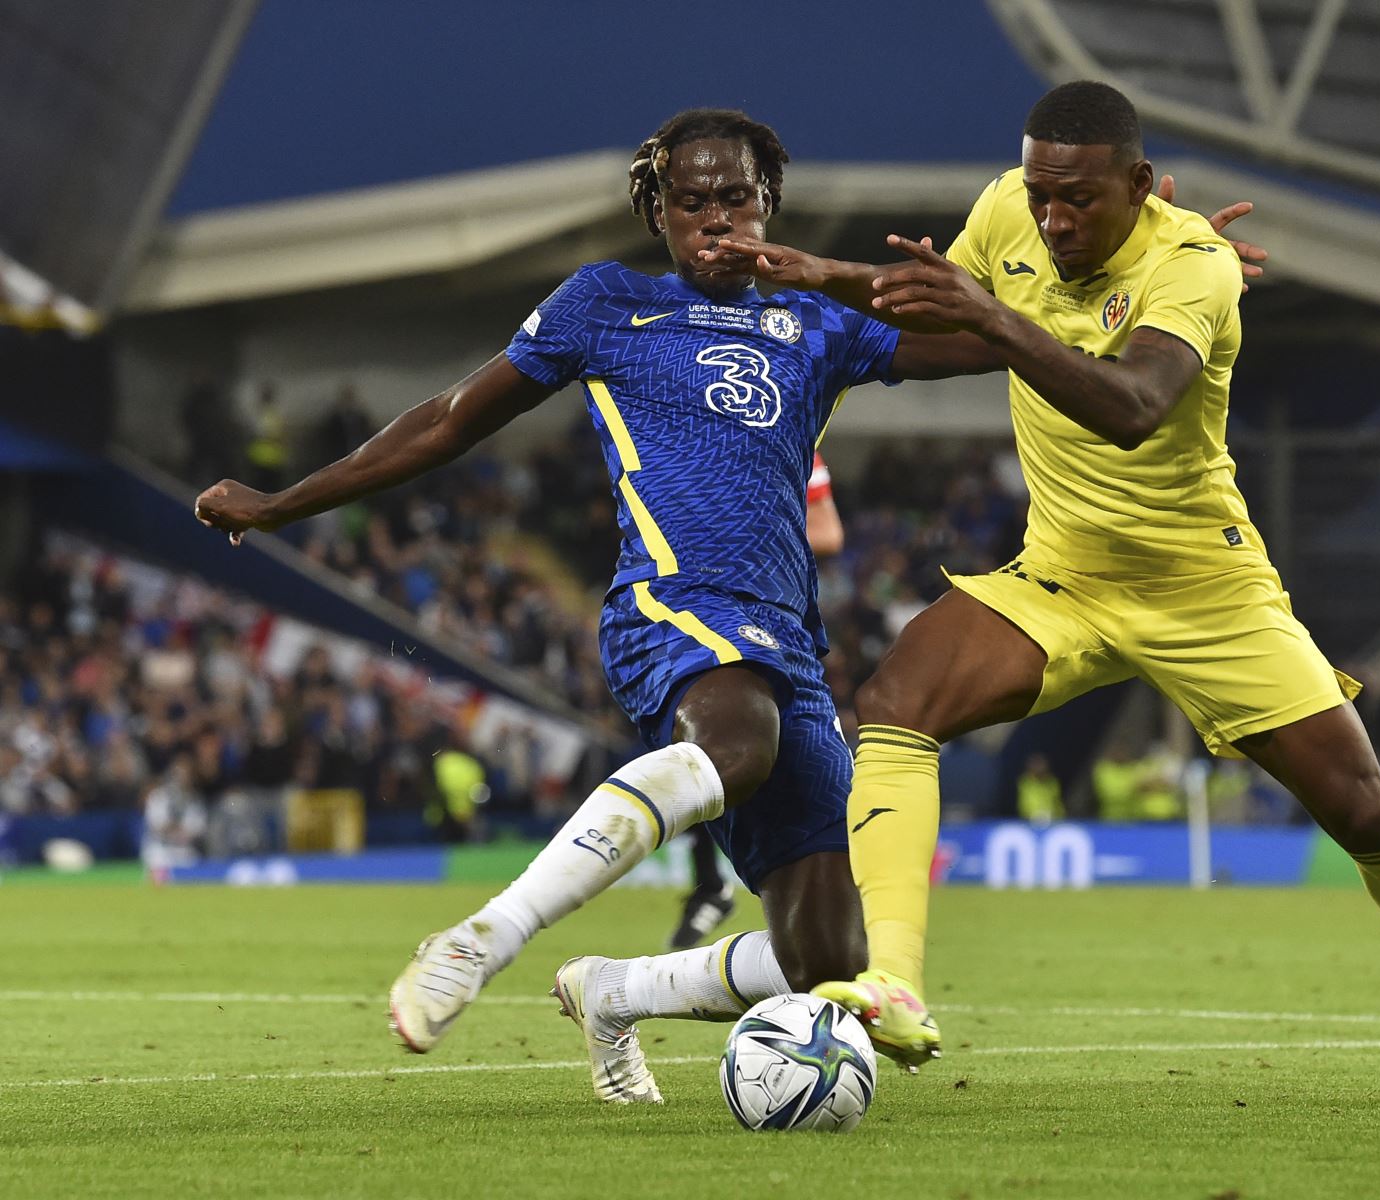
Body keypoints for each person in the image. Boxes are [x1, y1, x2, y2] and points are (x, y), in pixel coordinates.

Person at [195, 106, 1267, 1105]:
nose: (719, 222)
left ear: (770, 206)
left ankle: (616, 991)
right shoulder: (602, 305)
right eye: (695, 204)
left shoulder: (817, 319)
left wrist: (1155, 267)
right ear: (656, 212)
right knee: (738, 746)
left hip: (783, 643)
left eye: (739, 200)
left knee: (829, 965)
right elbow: (443, 421)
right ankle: (487, 934)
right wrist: (286, 501)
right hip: (670, 607)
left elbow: (991, 334)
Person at [718, 80, 1380, 1121]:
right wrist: (825, 283)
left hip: (1205, 589)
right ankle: (894, 984)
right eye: (1040, 195)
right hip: (1063, 576)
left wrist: (989, 312)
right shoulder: (1007, 216)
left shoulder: (1194, 266)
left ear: (1141, 186)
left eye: (1077, 201)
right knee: (897, 701)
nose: (1052, 220)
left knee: (1364, 813)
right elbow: (943, 327)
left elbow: (1133, 406)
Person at [666, 451, 842, 951]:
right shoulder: (697, 434)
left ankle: (811, 911)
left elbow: (828, 534)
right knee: (697, 747)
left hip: (774, 622)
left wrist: (747, 544)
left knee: (774, 761)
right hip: (700, 611)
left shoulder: (797, 441)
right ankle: (711, 884)